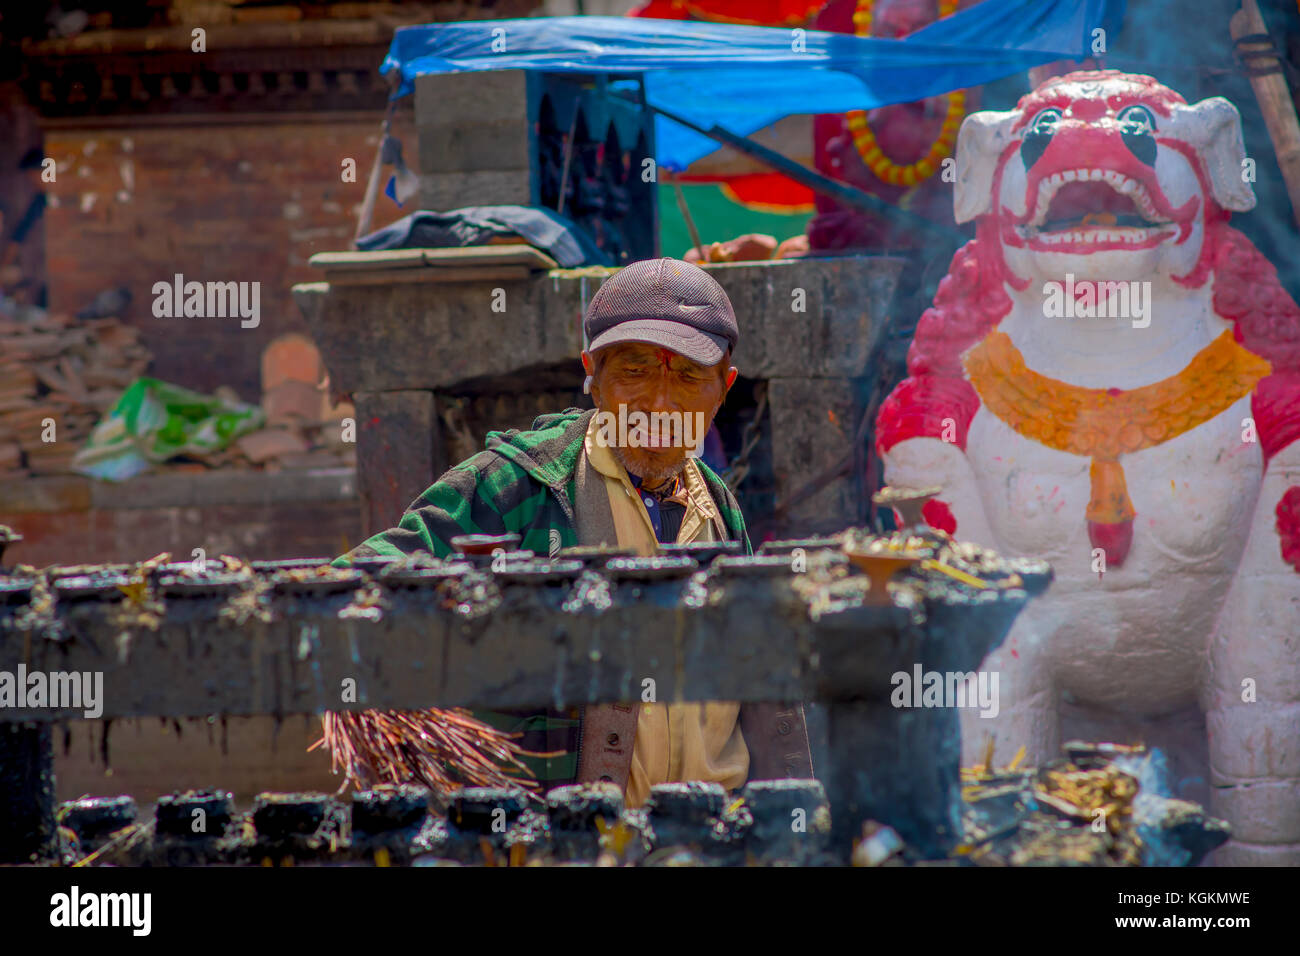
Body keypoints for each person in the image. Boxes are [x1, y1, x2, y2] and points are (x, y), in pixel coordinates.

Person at [334, 257, 813, 807]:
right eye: (634, 371)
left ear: (724, 387)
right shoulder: (513, 486)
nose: (660, 404)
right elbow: (345, 593)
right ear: (593, 374)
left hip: (719, 832)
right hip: (575, 841)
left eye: (687, 376)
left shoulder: (718, 506)